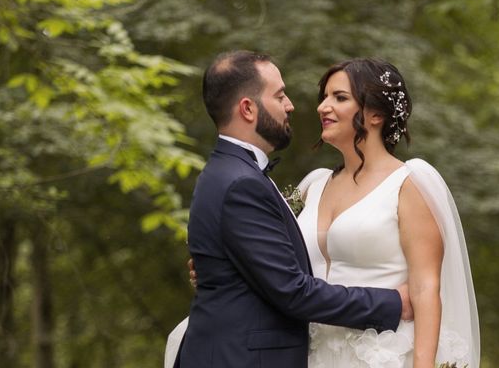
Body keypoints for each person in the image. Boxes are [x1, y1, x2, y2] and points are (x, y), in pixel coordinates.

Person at [175, 51, 412, 368]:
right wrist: (395, 302)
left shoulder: (232, 173)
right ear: (248, 109)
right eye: (280, 95)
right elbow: (292, 291)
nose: (291, 105)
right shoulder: (240, 183)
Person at [295, 58, 480, 368]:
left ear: (376, 114)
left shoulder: (407, 184)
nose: (322, 107)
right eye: (324, 97)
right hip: (313, 355)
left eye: (339, 98)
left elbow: (425, 288)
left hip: (382, 354)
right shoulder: (313, 186)